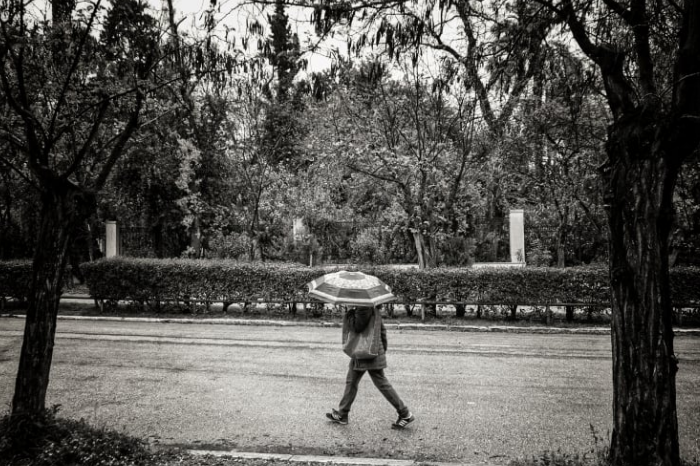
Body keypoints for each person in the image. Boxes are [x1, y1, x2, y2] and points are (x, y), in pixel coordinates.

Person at [326, 305, 415, 429]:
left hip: (366, 352)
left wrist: (350, 313)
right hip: (367, 351)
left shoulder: (364, 308)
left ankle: (405, 413)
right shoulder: (373, 308)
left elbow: (357, 327)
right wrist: (382, 350)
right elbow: (382, 331)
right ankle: (342, 414)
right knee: (351, 381)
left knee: (382, 384)